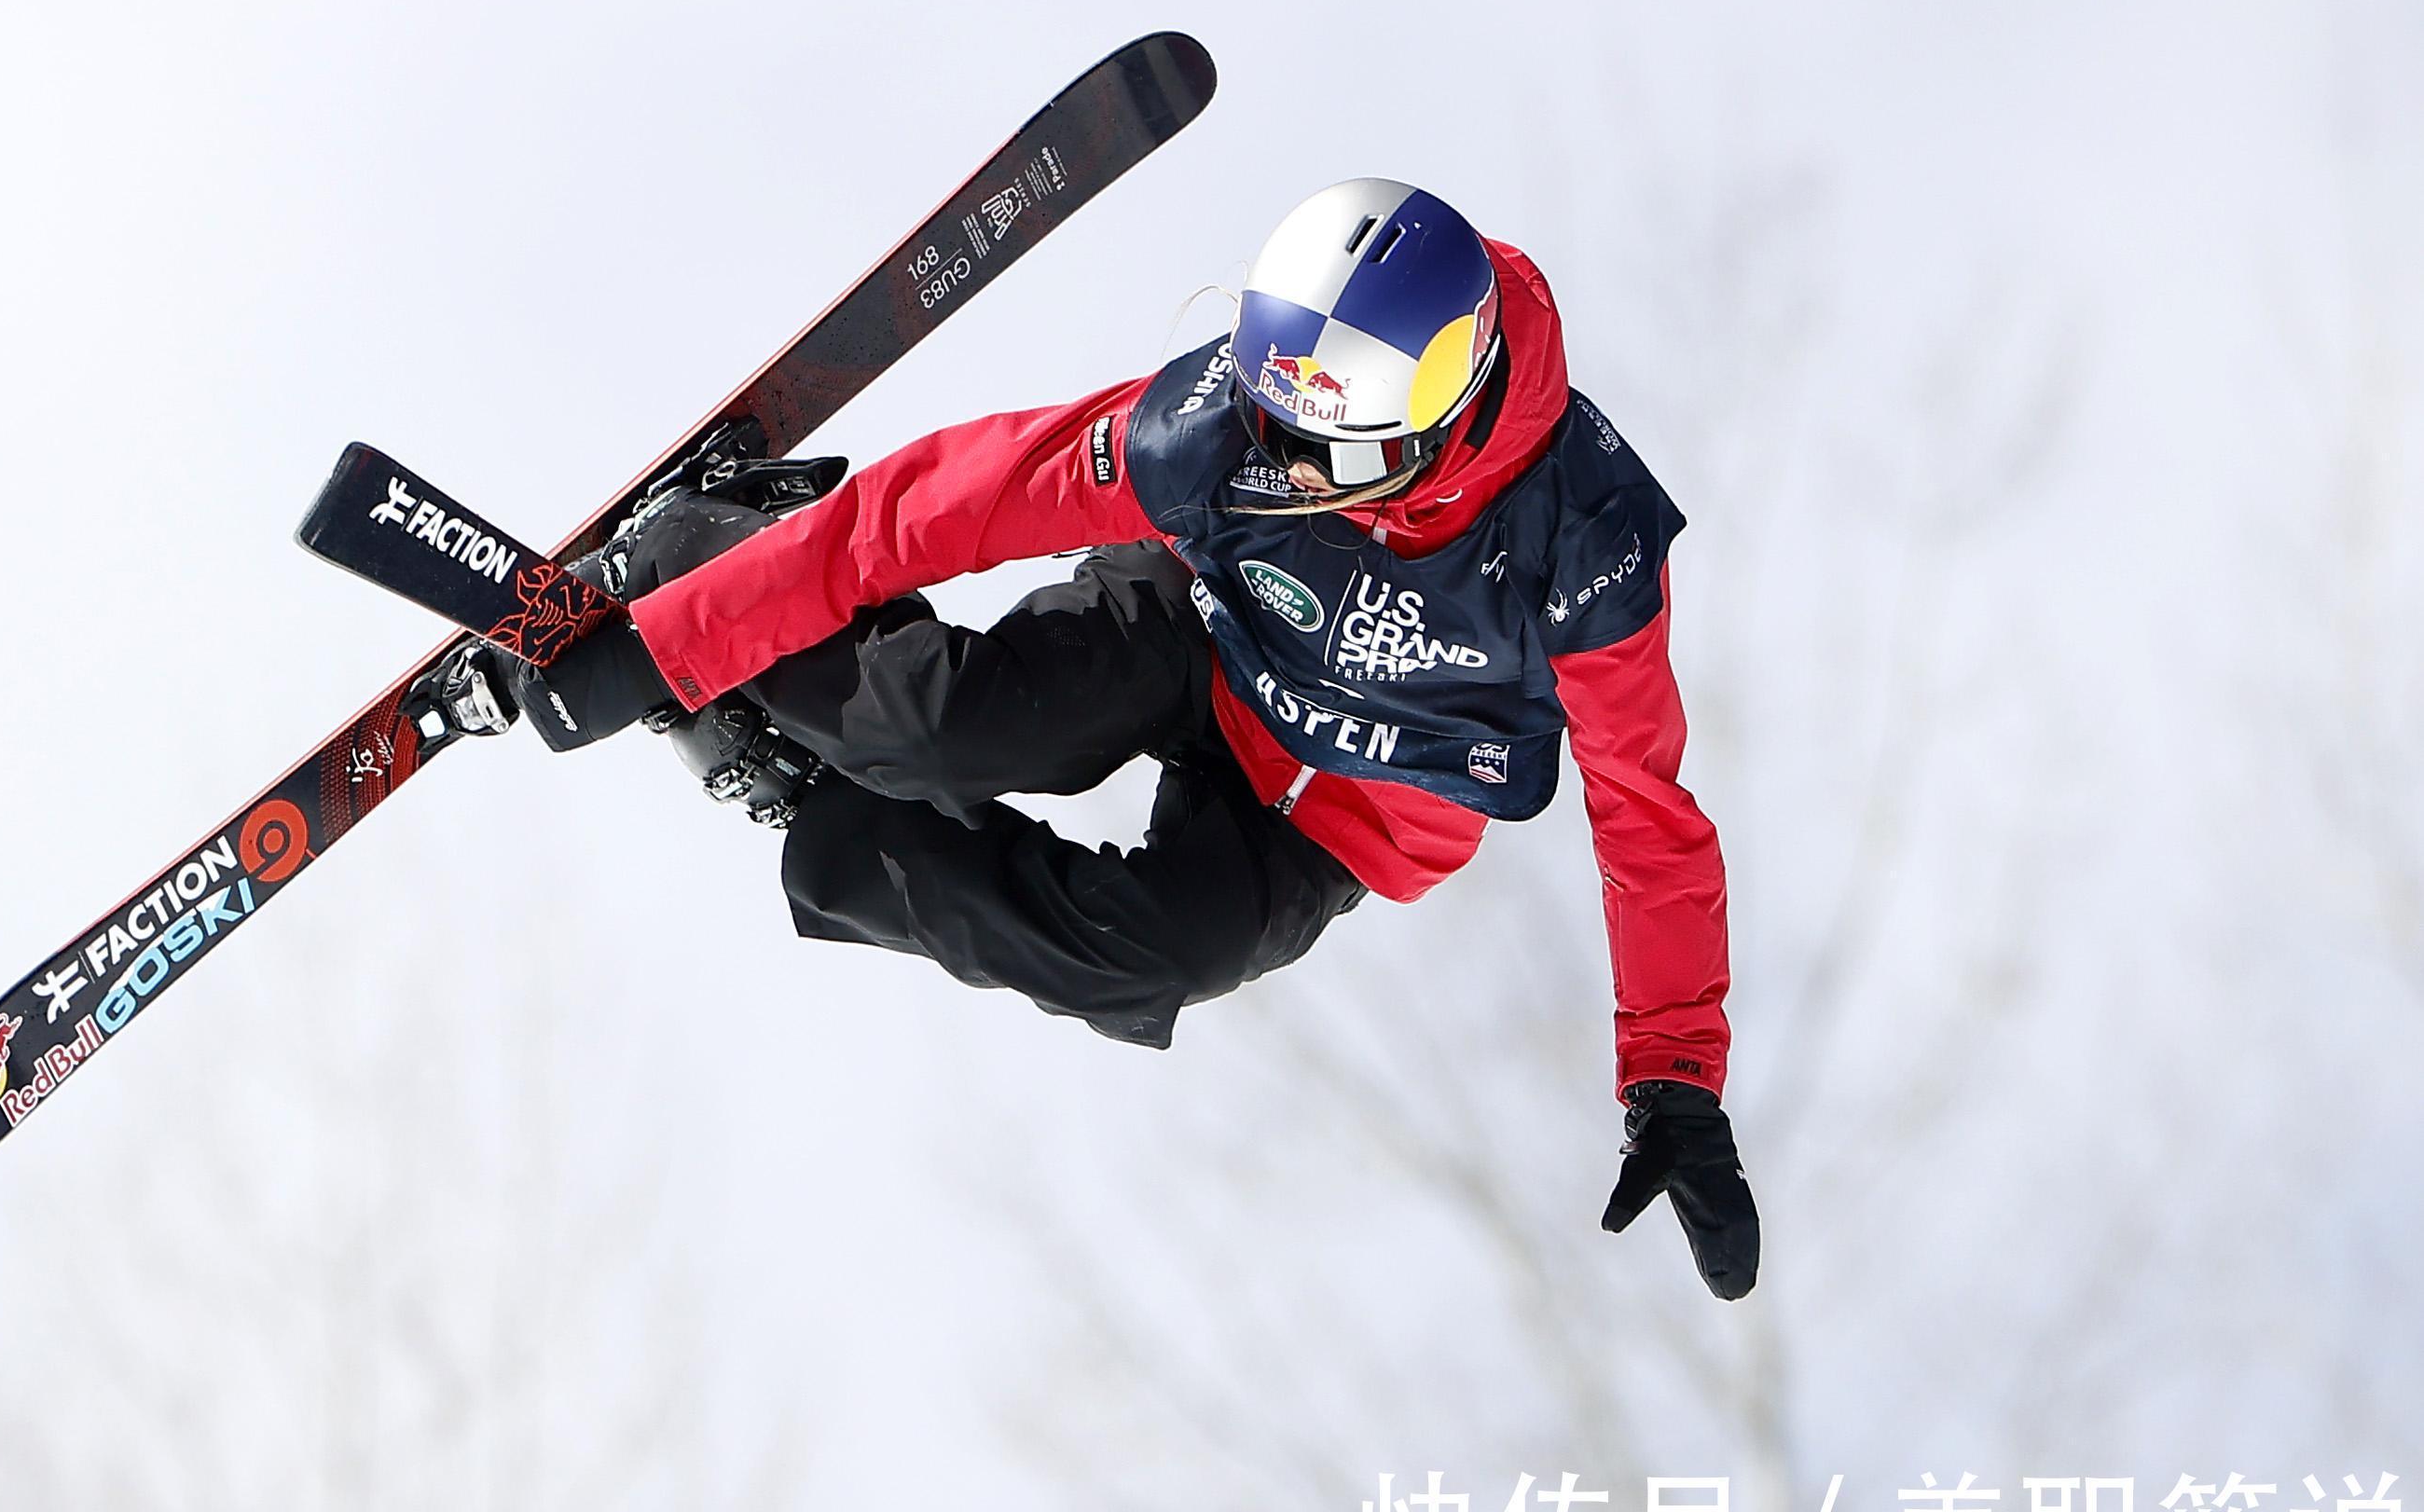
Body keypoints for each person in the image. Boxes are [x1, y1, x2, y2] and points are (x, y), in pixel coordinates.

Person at [425, 180, 1758, 1299]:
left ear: (1442, 424)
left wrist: (1673, 1081)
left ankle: (782, 773)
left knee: (1147, 962)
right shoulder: (1217, 435)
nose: (1280, 468)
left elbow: (1646, 818)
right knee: (953, 727)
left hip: (1339, 809)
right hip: (1202, 626)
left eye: (1323, 459)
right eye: (1268, 422)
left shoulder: (1584, 556)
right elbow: (939, 507)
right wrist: (672, 631)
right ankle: (708, 552)